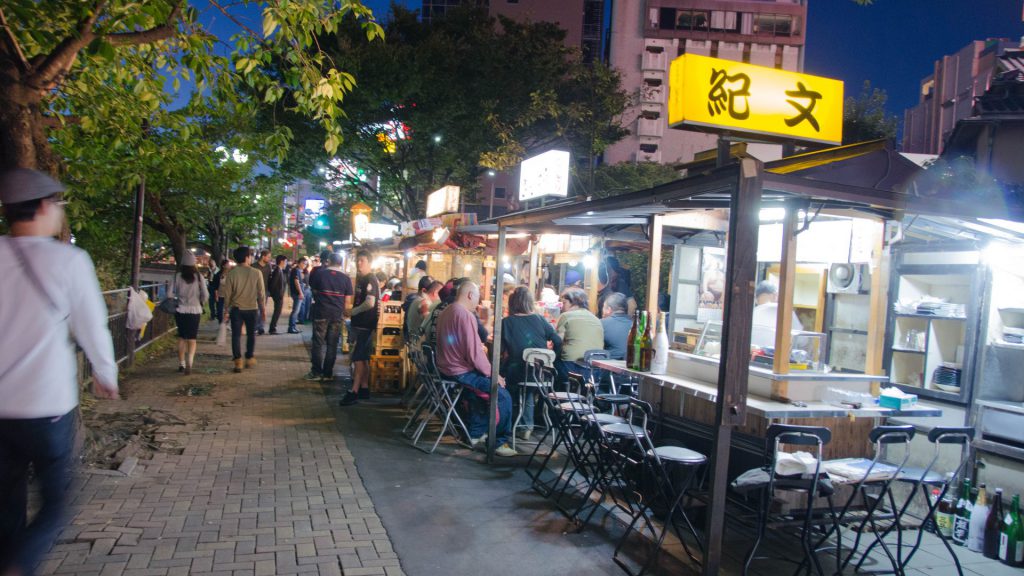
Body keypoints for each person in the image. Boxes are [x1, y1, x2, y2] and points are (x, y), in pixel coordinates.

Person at [0, 169, 119, 576]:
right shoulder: (68, 260)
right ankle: (18, 566)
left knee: (6, 503)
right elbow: (91, 325)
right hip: (46, 403)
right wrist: (106, 373)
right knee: (56, 502)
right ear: (45, 207)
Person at [436, 281, 516, 457]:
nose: (478, 301)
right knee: (502, 394)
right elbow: (475, 354)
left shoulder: (447, 311)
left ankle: (475, 433)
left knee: (479, 393)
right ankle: (499, 442)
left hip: (446, 369)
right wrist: (494, 375)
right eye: (478, 296)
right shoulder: (464, 315)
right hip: (459, 372)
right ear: (470, 295)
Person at [501, 287, 561, 441]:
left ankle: (514, 423)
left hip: (517, 372)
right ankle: (526, 424)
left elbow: (500, 350)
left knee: (505, 376)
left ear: (511, 303)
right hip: (543, 374)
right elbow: (557, 341)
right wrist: (553, 358)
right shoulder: (540, 319)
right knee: (528, 387)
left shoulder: (506, 323)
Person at [339, 250, 380, 406]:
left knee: (358, 359)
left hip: (365, 324)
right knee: (362, 358)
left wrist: (352, 311)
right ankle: (364, 388)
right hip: (361, 324)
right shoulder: (363, 279)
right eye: (358, 260)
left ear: (369, 262)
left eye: (362, 260)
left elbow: (370, 302)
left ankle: (354, 391)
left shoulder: (370, 279)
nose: (359, 263)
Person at [306, 252, 353, 382]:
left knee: (318, 343)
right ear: (341, 263)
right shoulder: (346, 279)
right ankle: (327, 374)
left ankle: (316, 372)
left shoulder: (320, 274)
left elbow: (314, 291)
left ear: (328, 261)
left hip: (321, 312)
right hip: (337, 315)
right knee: (332, 345)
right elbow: (348, 302)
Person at [220, 246, 266, 373]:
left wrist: (226, 310)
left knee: (236, 335)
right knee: (251, 334)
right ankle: (249, 357)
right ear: (247, 257)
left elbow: (227, 294)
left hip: (236, 309)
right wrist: (263, 310)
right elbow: (261, 294)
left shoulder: (232, 273)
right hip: (252, 308)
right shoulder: (257, 273)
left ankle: (238, 361)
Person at [555, 287, 604, 384]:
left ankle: (554, 397)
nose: (562, 307)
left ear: (572, 302)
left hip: (571, 368)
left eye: (564, 303)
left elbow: (558, 342)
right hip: (594, 371)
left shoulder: (565, 316)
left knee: (550, 364)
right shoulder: (595, 319)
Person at [172, 252, 209, 375]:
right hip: (195, 310)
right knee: (192, 339)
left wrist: (177, 298)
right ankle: (190, 361)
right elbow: (205, 294)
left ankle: (181, 364)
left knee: (182, 337)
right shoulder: (199, 277)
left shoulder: (177, 276)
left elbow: (169, 295)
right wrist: (201, 301)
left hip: (180, 310)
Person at [751, 280, 803, 349]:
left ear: (756, 298)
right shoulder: (785, 311)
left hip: (753, 357)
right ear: (775, 295)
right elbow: (801, 340)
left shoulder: (751, 313)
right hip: (776, 357)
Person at [404, 276, 438, 350]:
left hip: (412, 343)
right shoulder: (424, 303)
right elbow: (429, 323)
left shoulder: (416, 300)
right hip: (419, 347)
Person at [600, 292, 631, 361]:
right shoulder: (635, 325)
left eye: (603, 307)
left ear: (608, 309)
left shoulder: (601, 323)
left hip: (608, 367)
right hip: (630, 366)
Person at [266, 254, 288, 334]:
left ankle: (273, 327)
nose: (286, 263)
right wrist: (276, 294)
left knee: (278, 311)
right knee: (277, 312)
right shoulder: (278, 270)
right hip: (278, 295)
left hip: (278, 295)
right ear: (281, 261)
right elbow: (273, 284)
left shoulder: (279, 270)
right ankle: (272, 328)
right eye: (285, 261)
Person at [253, 249, 272, 335]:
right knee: (255, 310)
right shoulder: (254, 266)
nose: (269, 259)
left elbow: (270, 278)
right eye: (268, 257)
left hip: (265, 291)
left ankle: (261, 327)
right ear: (263, 256)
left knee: (262, 309)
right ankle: (255, 327)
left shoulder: (268, 266)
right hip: (254, 291)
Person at [288, 257, 308, 333]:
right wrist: (300, 292)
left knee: (296, 310)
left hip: (297, 293)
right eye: (303, 263)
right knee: (295, 311)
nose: (305, 265)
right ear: (299, 263)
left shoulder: (298, 270)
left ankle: (293, 327)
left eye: (306, 264)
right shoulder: (296, 270)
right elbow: (297, 282)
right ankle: (291, 327)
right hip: (297, 294)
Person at [209, 259, 230, 323]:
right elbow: (215, 286)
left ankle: (226, 322)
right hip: (220, 294)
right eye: (227, 264)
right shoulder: (218, 274)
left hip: (228, 295)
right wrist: (216, 295)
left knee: (227, 310)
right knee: (219, 310)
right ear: (223, 265)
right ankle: (221, 322)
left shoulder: (231, 274)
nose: (229, 266)